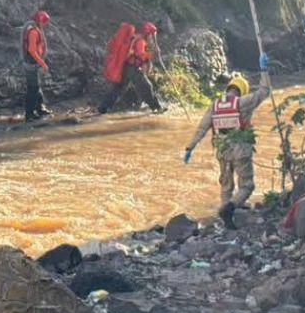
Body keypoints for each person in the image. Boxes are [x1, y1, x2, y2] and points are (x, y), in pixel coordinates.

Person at [183, 54, 272, 222]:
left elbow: (202, 128)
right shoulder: (242, 102)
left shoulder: (215, 105)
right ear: (242, 91)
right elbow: (264, 91)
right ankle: (230, 208)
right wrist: (264, 70)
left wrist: (190, 148)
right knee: (247, 185)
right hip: (240, 149)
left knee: (226, 185)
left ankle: (226, 212)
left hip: (222, 150)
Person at [98, 21, 163, 114]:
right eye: (151, 35)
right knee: (146, 86)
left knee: (118, 89)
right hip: (132, 68)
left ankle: (103, 108)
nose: (152, 38)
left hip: (125, 66)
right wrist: (151, 55)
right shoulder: (141, 41)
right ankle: (157, 108)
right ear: (148, 34)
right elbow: (141, 55)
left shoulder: (136, 38)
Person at [21, 10, 52, 122]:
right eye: (44, 21)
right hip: (31, 63)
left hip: (34, 62)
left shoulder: (36, 29)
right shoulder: (33, 32)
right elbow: (32, 50)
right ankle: (29, 114)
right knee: (33, 89)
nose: (45, 24)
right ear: (39, 20)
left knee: (36, 86)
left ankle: (40, 108)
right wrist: (43, 64)